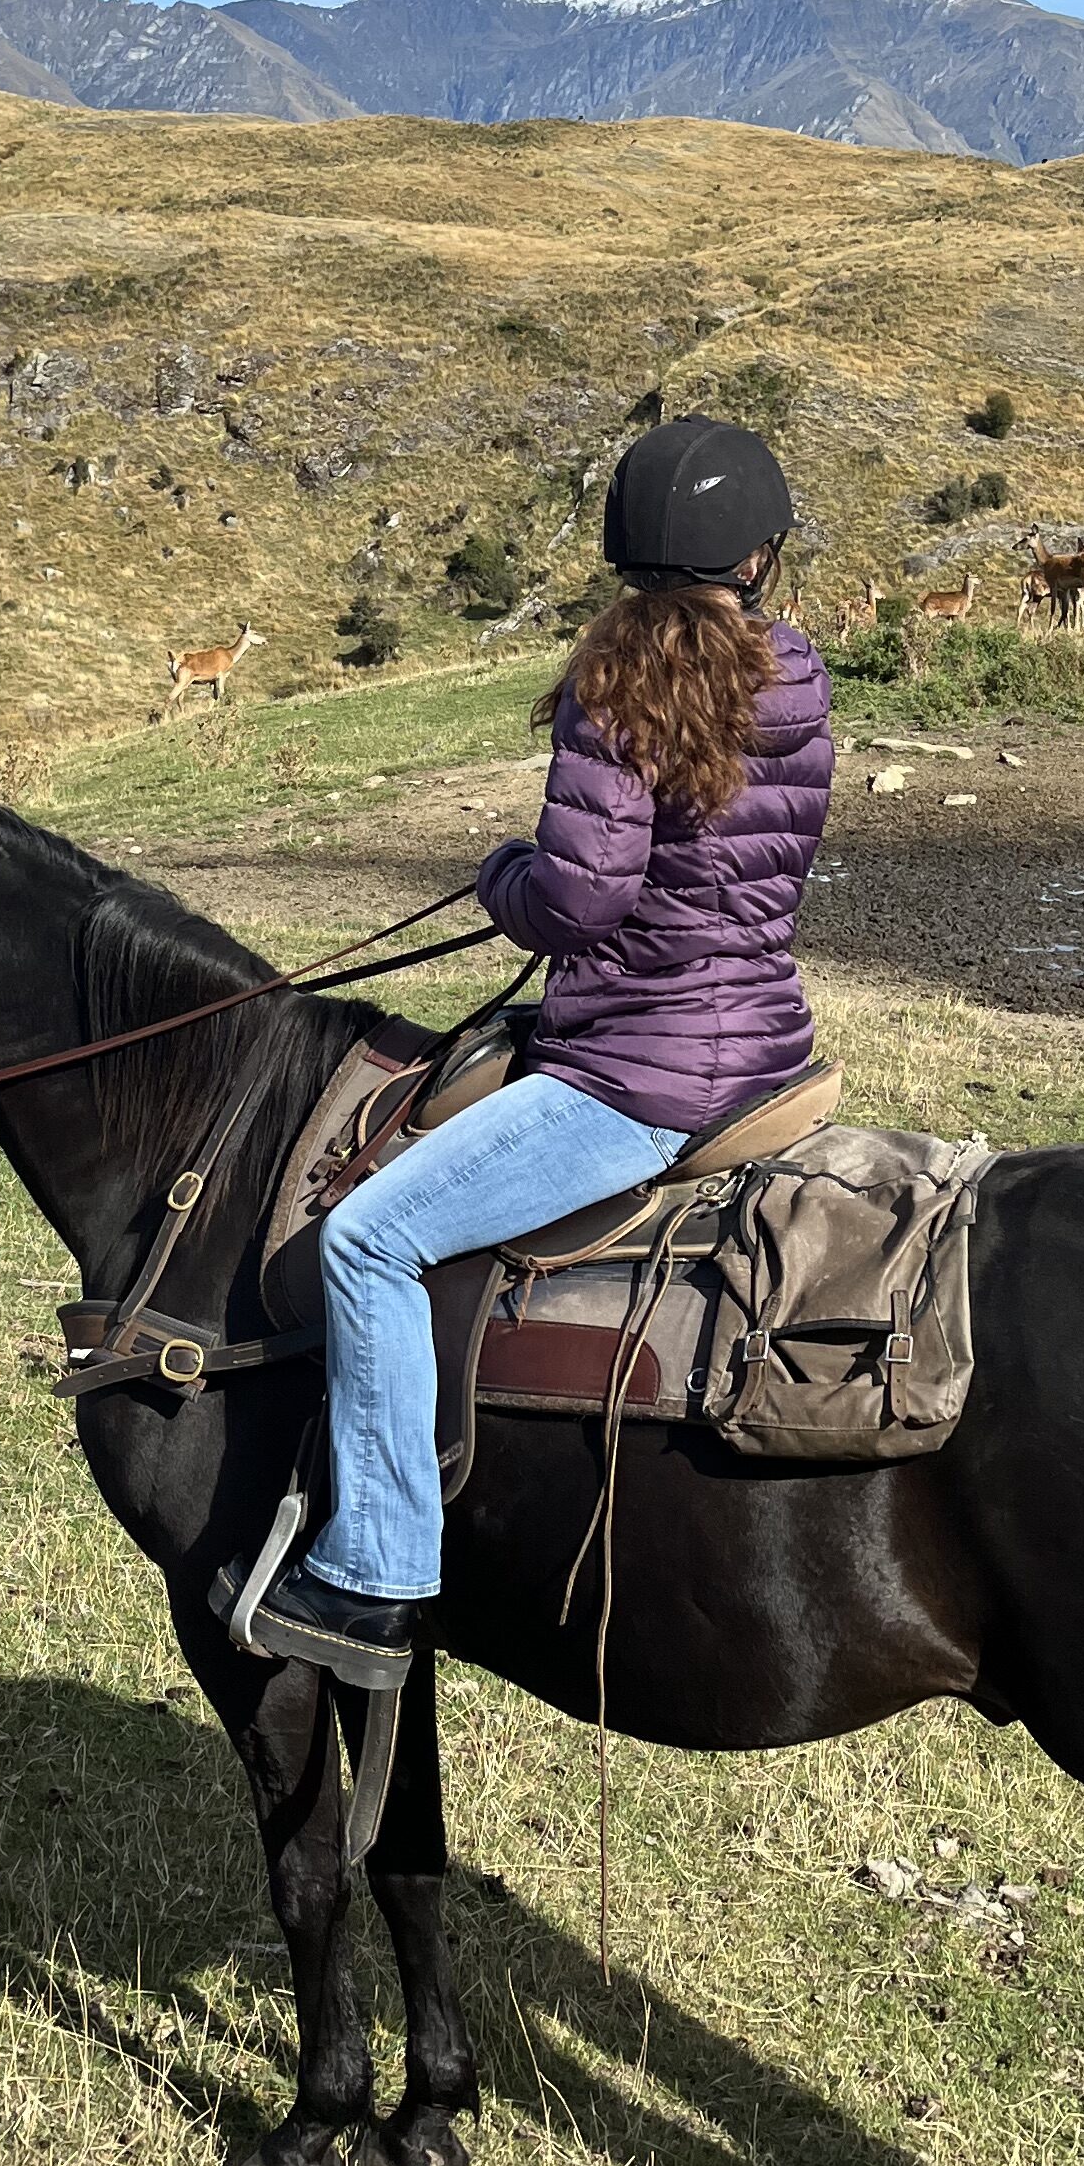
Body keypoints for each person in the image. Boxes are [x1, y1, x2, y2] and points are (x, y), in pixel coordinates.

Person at [244, 417, 834, 1681]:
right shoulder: (795, 672)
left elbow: (579, 903)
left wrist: (502, 871)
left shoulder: (622, 679)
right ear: (758, 558)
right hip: (765, 1047)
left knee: (367, 1241)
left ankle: (378, 1572)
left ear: (628, 549)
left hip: (638, 1076)